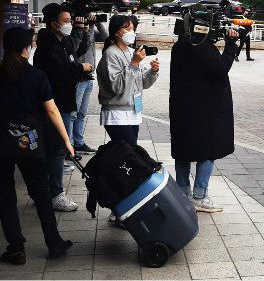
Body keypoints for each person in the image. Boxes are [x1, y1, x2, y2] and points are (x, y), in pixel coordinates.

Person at [0, 27, 75, 264]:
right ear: (27, 47)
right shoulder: (36, 76)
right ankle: (54, 243)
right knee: (41, 193)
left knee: (4, 195)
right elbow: (52, 110)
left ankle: (15, 248)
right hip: (29, 144)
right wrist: (66, 140)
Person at [170, 25, 240, 213]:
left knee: (183, 150)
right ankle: (200, 196)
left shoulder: (179, 46)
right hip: (207, 110)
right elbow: (221, 70)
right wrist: (231, 44)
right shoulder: (205, 48)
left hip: (182, 107)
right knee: (208, 149)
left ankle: (183, 194)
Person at [33, 3, 91, 212]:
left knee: (55, 149)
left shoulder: (63, 43)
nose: (69, 24)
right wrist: (80, 68)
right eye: (66, 21)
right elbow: (60, 71)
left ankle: (47, 191)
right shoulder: (47, 48)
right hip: (55, 105)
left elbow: (75, 54)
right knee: (57, 149)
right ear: (54, 23)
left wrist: (84, 31)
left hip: (65, 101)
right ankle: (55, 193)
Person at [97, 15, 159, 146]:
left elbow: (143, 83)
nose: (131, 32)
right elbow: (117, 87)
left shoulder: (132, 52)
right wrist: (134, 63)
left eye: (133, 29)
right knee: (129, 152)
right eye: (127, 29)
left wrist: (153, 72)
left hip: (133, 110)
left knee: (127, 154)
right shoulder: (111, 53)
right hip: (116, 113)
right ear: (116, 32)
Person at [71, 12, 108, 155]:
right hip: (78, 77)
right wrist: (84, 28)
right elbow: (80, 48)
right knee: (73, 113)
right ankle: (70, 144)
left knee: (81, 113)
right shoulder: (76, 34)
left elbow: (105, 37)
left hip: (89, 76)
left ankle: (79, 142)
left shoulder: (90, 30)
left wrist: (96, 23)